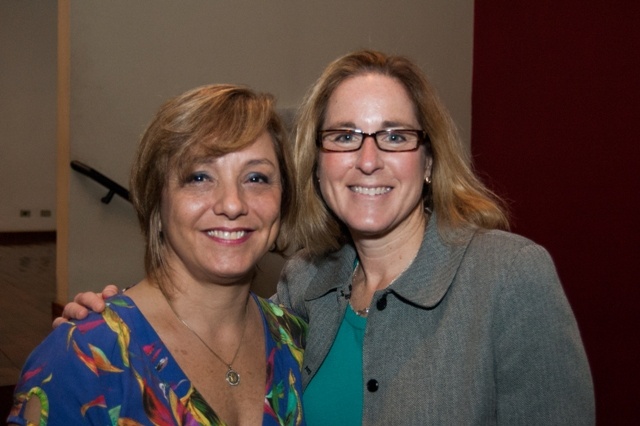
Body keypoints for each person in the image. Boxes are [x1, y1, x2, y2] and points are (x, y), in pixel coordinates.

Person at [54, 50, 595, 425]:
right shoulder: (306, 284)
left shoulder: (508, 277)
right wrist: (103, 327)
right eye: (343, 136)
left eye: (395, 136)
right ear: (316, 163)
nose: (366, 159)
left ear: (429, 161)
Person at [8, 84, 307, 425]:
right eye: (199, 176)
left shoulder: (299, 341)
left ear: (283, 200)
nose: (232, 204)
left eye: (256, 177)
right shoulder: (83, 360)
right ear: (157, 205)